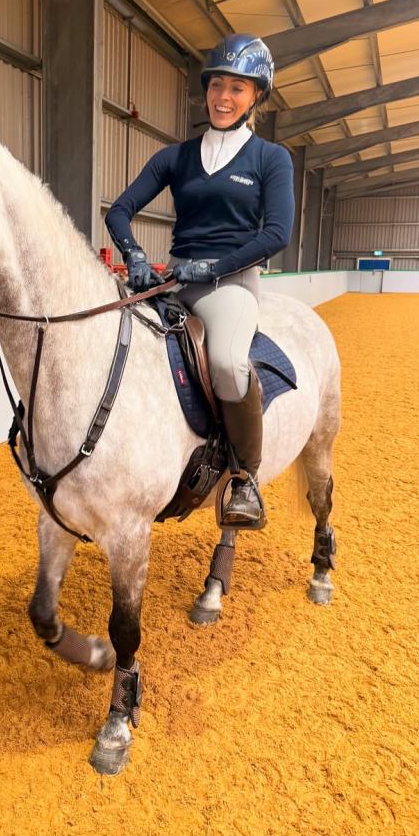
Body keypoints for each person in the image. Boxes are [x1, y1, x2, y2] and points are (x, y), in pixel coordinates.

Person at [105, 34, 294, 527]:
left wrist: (213, 268)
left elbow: (277, 233)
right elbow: (121, 210)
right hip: (173, 279)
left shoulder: (271, 159)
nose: (223, 97)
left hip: (228, 286)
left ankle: (244, 478)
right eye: (217, 85)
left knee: (229, 364)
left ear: (256, 97)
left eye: (237, 88)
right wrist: (136, 255)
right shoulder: (176, 156)